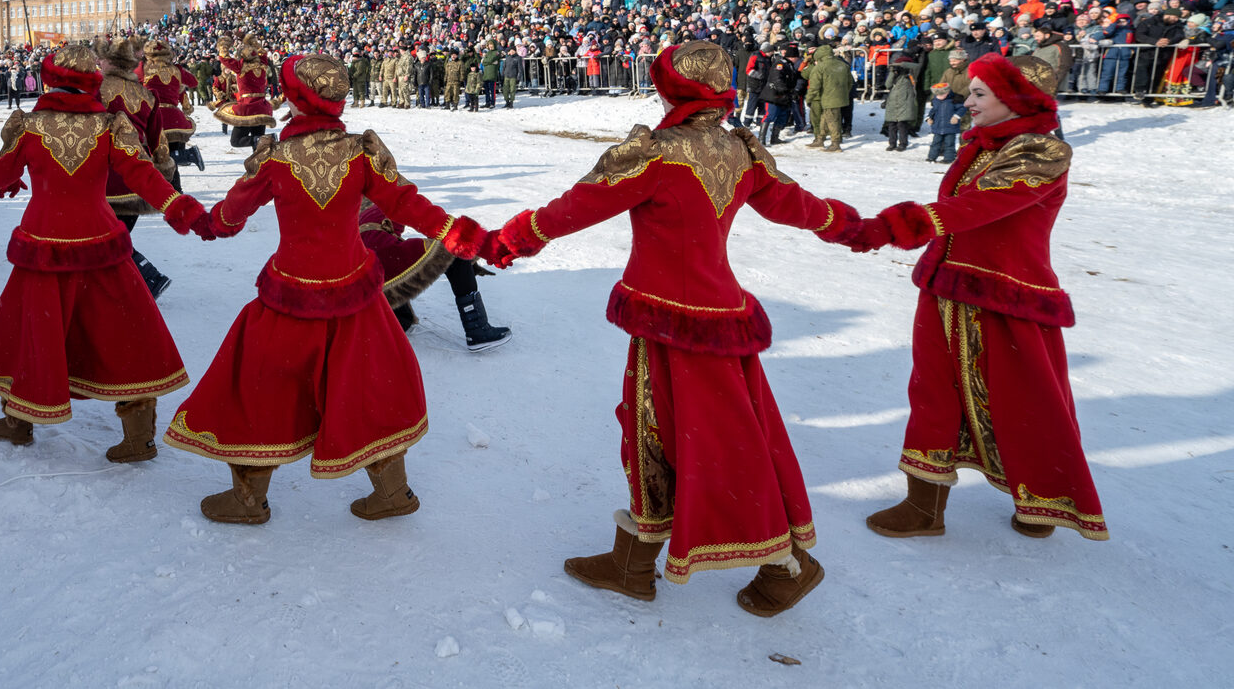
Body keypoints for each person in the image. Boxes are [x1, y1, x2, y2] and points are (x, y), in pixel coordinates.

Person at [483, 43, 860, 616]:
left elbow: (577, 207)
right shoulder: (740, 149)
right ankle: (636, 562)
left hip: (671, 320)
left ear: (670, 90)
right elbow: (800, 207)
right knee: (681, 435)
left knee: (700, 442)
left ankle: (785, 565)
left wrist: (509, 240)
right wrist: (861, 228)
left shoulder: (656, 154)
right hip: (718, 316)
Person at [163, 54, 489, 524]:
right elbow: (412, 206)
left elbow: (226, 220)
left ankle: (249, 498)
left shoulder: (275, 158)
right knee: (368, 387)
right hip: (354, 292)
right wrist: (470, 237)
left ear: (294, 99)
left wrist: (189, 215)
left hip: (290, 294)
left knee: (261, 388)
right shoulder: (361, 151)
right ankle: (392, 492)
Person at [848, 54, 1107, 542]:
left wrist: (892, 227)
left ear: (1014, 100)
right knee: (933, 395)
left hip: (1007, 295)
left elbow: (977, 206)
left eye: (980, 94)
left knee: (1026, 401)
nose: (967, 101)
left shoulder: (1042, 152)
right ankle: (925, 505)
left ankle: (1043, 503)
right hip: (948, 287)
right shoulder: (985, 145)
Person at [0, 46, 211, 451]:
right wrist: (182, 210)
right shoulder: (110, 126)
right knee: (119, 331)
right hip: (99, 240)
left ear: (47, 79)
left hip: (44, 243)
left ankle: (20, 419)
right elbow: (144, 175)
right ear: (93, 82)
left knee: (33, 329)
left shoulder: (30, 126)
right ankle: (138, 431)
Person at [360, 198, 510, 349]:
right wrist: (470, 257)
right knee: (454, 250)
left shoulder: (353, 206)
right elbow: (439, 229)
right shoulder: (394, 196)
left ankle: (398, 319)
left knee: (398, 261)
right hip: (383, 256)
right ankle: (478, 330)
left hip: (363, 268)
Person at [94, 36, 178, 298]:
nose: (97, 62)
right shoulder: (146, 94)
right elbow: (158, 140)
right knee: (113, 236)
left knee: (105, 239)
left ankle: (148, 278)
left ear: (109, 62)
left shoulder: (95, 89)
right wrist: (164, 172)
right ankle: (125, 284)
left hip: (102, 175)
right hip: (136, 175)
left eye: (101, 59)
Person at [141, 37, 204, 171]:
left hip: (154, 118)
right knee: (172, 161)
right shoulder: (176, 70)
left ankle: (187, 155)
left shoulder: (143, 70)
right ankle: (185, 156)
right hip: (175, 118)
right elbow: (194, 82)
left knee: (151, 157)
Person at [214, 32, 277, 147]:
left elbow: (223, 57)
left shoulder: (240, 67)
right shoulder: (262, 64)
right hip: (262, 107)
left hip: (247, 107)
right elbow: (262, 51)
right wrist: (249, 39)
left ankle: (264, 139)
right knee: (258, 144)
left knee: (236, 141)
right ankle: (262, 145)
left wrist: (226, 41)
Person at [924, 80, 960, 164]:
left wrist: (956, 116)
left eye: (941, 94)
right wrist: (929, 118)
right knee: (935, 142)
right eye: (937, 94)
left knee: (949, 143)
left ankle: (948, 158)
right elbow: (933, 111)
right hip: (938, 126)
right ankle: (931, 157)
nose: (939, 96)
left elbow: (962, 108)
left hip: (950, 127)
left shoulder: (953, 100)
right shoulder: (936, 101)